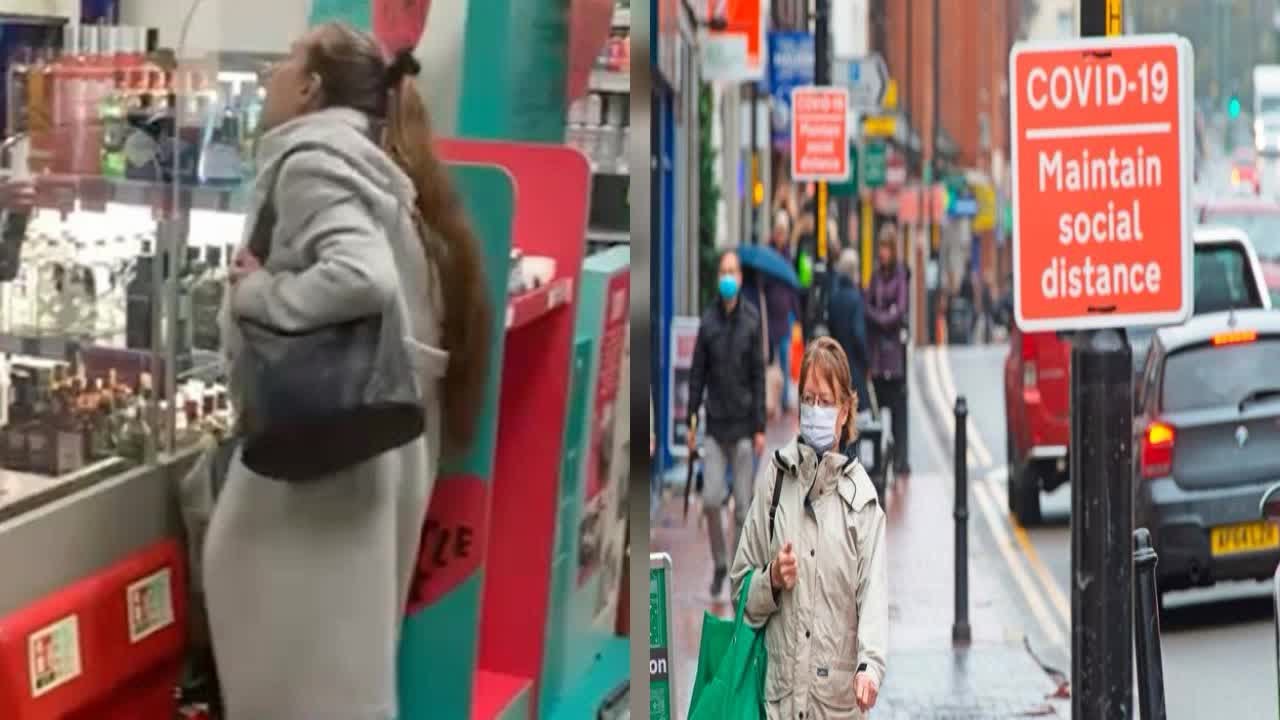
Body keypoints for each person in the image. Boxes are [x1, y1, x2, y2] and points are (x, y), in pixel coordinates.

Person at [207, 23, 491, 719]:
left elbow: (360, 278)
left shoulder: (313, 159)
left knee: (297, 683)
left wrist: (255, 296)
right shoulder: (370, 164)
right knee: (341, 685)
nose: (272, 72)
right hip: (360, 460)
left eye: (285, 61)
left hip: (315, 468)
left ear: (309, 88)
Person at [730, 337, 888, 719]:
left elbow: (874, 600)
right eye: (809, 398)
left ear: (846, 410)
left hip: (834, 707)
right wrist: (771, 580)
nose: (816, 409)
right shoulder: (777, 481)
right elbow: (739, 589)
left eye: (826, 400)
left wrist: (870, 668)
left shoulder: (862, 504)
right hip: (778, 705)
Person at [688, 248, 766, 598]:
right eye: (723, 271)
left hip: (745, 426)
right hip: (716, 427)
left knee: (744, 508)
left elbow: (759, 376)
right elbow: (696, 375)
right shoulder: (708, 324)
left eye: (732, 271)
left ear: (741, 278)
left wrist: (761, 426)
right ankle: (720, 562)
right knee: (710, 500)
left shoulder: (752, 321)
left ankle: (736, 574)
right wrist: (691, 418)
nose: (727, 277)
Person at [867, 224, 910, 475]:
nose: (882, 252)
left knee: (898, 412)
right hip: (877, 358)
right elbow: (868, 308)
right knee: (875, 414)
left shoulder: (900, 276)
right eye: (880, 247)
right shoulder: (874, 276)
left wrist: (881, 317)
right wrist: (884, 316)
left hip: (894, 359)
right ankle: (879, 462)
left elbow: (898, 312)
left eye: (886, 247)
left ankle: (900, 459)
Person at [828, 248, 870, 420]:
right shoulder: (856, 298)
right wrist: (867, 362)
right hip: (854, 368)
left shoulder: (834, 297)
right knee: (856, 419)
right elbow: (858, 334)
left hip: (837, 367)